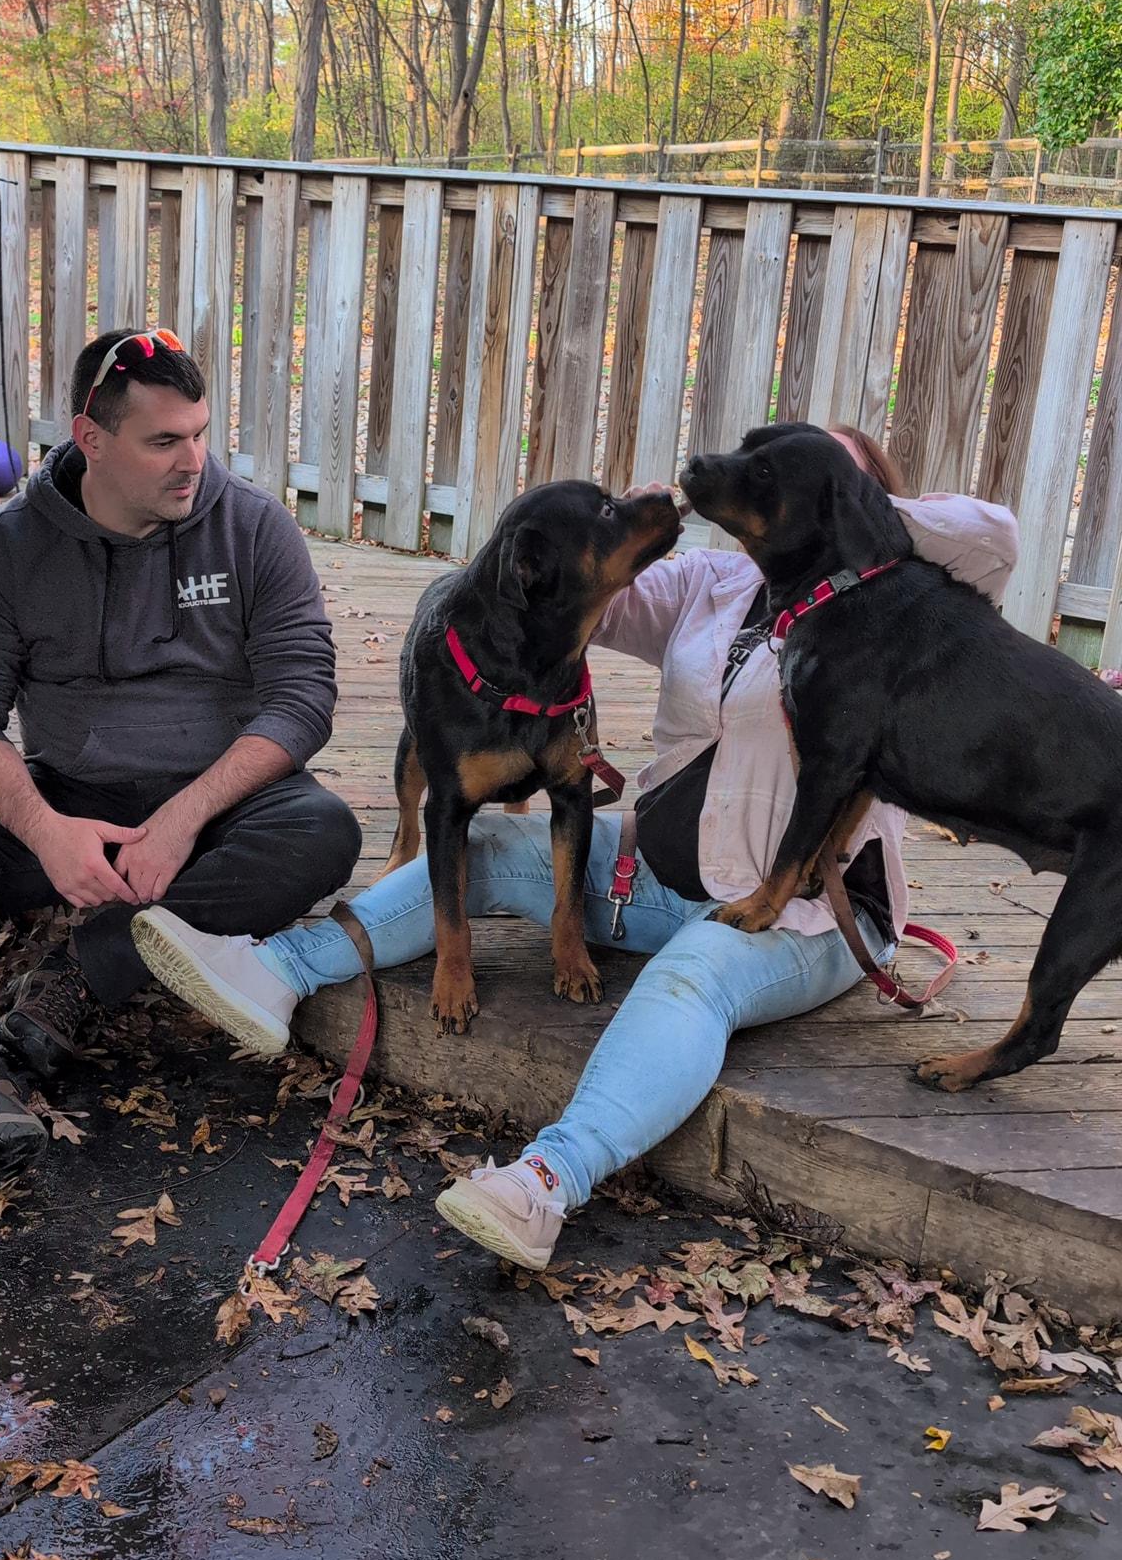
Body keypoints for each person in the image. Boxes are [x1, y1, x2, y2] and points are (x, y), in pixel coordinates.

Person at [130, 428, 1019, 1272]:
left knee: (692, 977)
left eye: (824, 478)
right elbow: (569, 584)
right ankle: (277, 970)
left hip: (807, 917)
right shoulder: (713, 585)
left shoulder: (907, 603)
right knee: (477, 837)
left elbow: (998, 539)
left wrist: (837, 505)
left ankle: (548, 1180)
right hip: (655, 879)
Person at [0, 327, 361, 1191]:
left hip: (216, 814)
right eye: (163, 441)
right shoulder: (6, 552)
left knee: (323, 829)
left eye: (200, 433)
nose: (192, 460)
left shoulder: (255, 528)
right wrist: (43, 830)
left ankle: (83, 970)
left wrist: (183, 820)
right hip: (68, 804)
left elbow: (303, 695)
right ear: (90, 439)